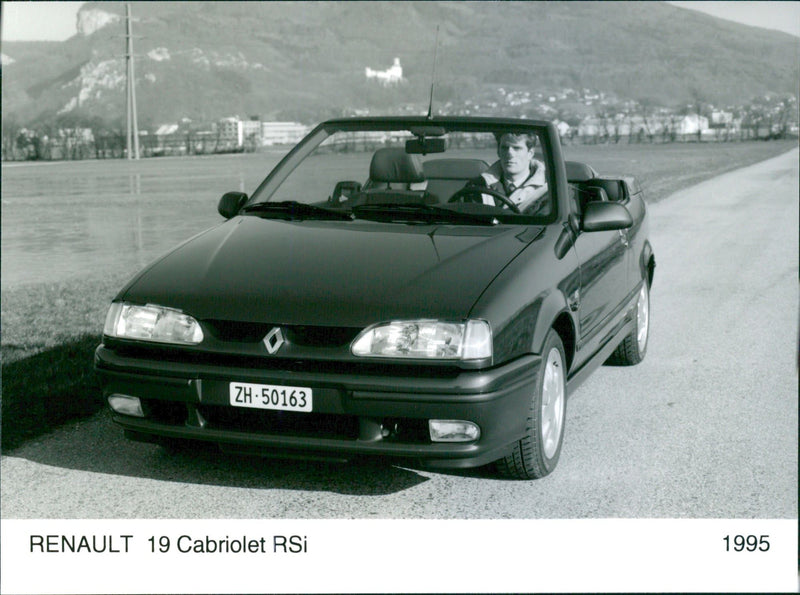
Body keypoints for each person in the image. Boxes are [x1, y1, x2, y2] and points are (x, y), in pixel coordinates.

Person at [468, 132, 548, 213]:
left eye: (517, 148)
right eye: (505, 148)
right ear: (498, 152)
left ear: (530, 153)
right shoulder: (476, 187)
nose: (509, 153)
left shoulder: (547, 191)